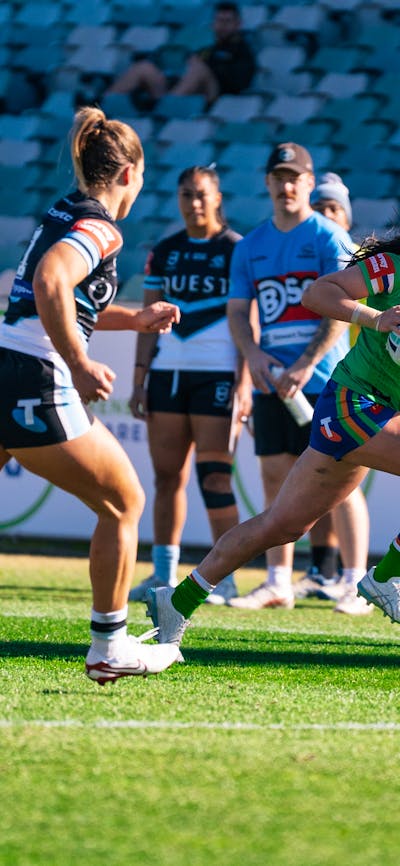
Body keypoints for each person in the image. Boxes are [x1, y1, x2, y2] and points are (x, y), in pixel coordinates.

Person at [145, 232, 400, 650]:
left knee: (281, 525)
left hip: (372, 412)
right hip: (351, 405)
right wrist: (375, 318)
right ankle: (388, 575)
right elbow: (319, 293)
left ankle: (177, 600)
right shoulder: (391, 267)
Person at [0, 106, 182, 684]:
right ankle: (110, 646)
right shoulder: (101, 226)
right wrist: (78, 364)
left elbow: (63, 302)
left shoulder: (62, 210)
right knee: (123, 504)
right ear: (128, 172)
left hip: (8, 358)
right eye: (145, 174)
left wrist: (135, 319)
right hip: (35, 373)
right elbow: (53, 281)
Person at [226, 142, 370, 615]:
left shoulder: (330, 237)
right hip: (272, 379)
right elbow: (239, 312)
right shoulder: (249, 245)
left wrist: (307, 362)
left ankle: (354, 583)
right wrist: (253, 357)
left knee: (341, 477)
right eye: (279, 177)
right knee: (275, 477)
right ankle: (277, 581)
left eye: (296, 178)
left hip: (326, 378)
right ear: (267, 182)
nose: (287, 186)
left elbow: (339, 310)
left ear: (310, 183)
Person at [129, 164, 252, 606]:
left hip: (216, 374)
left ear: (218, 197)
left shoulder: (238, 248)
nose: (194, 203)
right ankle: (163, 577)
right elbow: (146, 319)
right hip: (167, 375)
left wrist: (243, 382)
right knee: (166, 479)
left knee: (216, 477)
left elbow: (247, 318)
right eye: (186, 194)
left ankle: (228, 581)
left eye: (201, 194)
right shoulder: (164, 251)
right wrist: (139, 379)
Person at [105, 2, 255, 109]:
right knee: (145, 68)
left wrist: (209, 69)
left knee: (198, 67)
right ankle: (100, 105)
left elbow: (239, 83)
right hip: (187, 89)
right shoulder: (208, 49)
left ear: (238, 24)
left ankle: (169, 105)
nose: (222, 26)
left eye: (227, 21)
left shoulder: (243, 51)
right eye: (219, 21)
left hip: (218, 96)